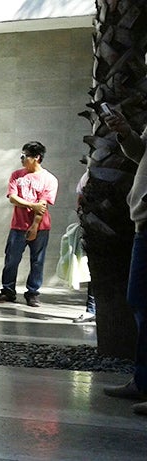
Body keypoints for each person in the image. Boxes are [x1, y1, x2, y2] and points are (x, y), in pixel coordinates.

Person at [102, 110, 147, 415]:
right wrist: (128, 134)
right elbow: (141, 154)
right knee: (141, 303)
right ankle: (143, 381)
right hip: (142, 226)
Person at [0, 141, 58, 308]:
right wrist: (31, 205)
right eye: (21, 155)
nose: (22, 158)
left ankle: (33, 293)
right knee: (11, 259)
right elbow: (12, 197)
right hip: (18, 226)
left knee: (37, 261)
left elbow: (42, 206)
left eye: (25, 156)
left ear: (37, 158)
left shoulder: (49, 179)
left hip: (40, 228)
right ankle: (8, 291)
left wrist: (34, 226)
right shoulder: (16, 175)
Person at [73, 169, 96, 323]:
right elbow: (80, 198)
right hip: (95, 227)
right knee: (94, 270)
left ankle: (92, 309)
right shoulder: (90, 174)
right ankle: (91, 309)